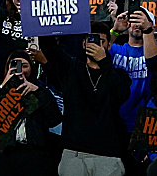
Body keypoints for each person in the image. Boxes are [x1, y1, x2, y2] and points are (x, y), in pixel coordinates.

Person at [48, 21, 131, 176]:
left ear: (108, 46)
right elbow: (49, 47)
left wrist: (104, 62)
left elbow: (121, 95)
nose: (97, 45)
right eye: (92, 39)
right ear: (84, 43)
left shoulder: (119, 74)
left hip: (108, 154)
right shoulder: (71, 68)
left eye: (102, 42)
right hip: (74, 152)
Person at [0, 50, 62, 176]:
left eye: (25, 66)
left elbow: (54, 119)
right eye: (14, 65)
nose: (21, 70)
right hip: (3, 155)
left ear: (31, 68)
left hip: (34, 155)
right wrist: (3, 88)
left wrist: (38, 91)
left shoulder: (39, 89)